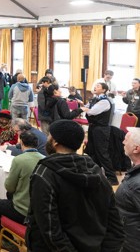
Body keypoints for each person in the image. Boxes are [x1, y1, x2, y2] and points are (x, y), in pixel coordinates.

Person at [26, 120, 124, 252]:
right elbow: (115, 220)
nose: (47, 138)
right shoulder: (96, 171)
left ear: (55, 142)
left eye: (49, 135)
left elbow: (51, 231)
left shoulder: (44, 174)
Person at [0, 131, 45, 251]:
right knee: (9, 196)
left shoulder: (19, 160)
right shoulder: (45, 159)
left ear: (21, 143)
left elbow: (9, 187)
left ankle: (7, 240)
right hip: (38, 211)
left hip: (22, 211)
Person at [82, 82, 118, 185]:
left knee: (102, 153)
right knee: (92, 151)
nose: (95, 87)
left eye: (98, 86)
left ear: (104, 90)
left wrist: (85, 109)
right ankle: (94, 173)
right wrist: (82, 106)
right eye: (95, 86)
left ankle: (112, 178)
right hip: (93, 128)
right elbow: (87, 107)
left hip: (101, 130)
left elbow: (92, 111)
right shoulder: (94, 99)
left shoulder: (105, 101)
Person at [116, 127, 140, 252]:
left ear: (136, 149)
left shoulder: (136, 185)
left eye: (126, 139)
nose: (123, 142)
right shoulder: (134, 174)